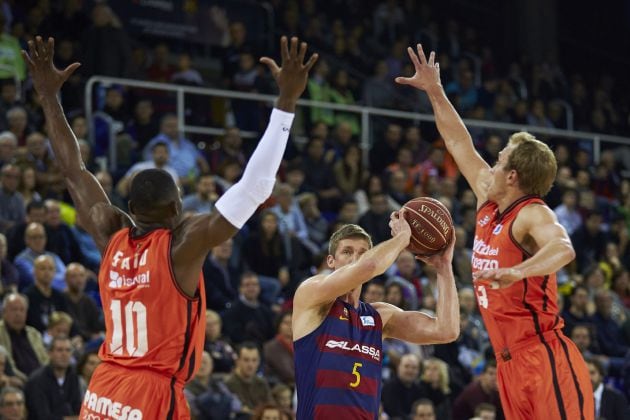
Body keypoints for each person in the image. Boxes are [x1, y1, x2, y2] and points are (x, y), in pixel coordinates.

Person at [22, 34, 317, 419]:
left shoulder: (109, 232)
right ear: (178, 207)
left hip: (104, 386)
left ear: (129, 208)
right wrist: (287, 103)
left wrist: (47, 97)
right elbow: (256, 187)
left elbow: (73, 169)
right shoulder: (181, 246)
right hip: (151, 391)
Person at [397, 44, 593, 419]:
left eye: (500, 159)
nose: (493, 162)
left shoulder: (532, 214)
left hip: (544, 356)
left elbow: (564, 248)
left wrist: (517, 271)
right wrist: (435, 92)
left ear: (513, 177)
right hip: (507, 364)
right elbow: (458, 142)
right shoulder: (490, 198)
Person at [292, 221, 459, 419]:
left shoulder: (379, 317)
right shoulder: (311, 295)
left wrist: (444, 268)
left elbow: (447, 331)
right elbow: (369, 266)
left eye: (363, 252)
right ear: (331, 261)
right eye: (347, 252)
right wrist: (402, 238)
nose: (355, 259)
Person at [24, 335, 82, 419]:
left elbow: (77, 407)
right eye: (59, 350)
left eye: (68, 350)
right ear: (49, 353)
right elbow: (42, 416)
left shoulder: (73, 376)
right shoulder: (37, 380)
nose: (64, 354)